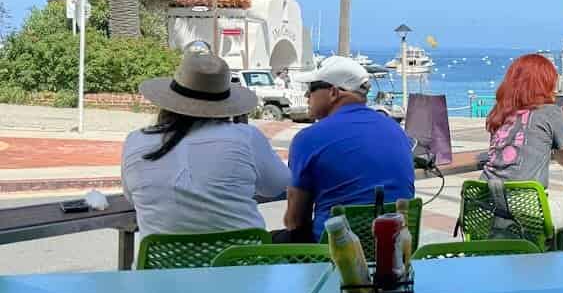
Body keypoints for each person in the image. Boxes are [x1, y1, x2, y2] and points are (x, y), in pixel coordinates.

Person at [122, 54, 290, 238]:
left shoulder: (135, 141)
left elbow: (132, 197)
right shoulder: (245, 138)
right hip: (241, 264)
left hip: (162, 266)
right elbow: (277, 185)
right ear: (227, 105)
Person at [283, 56, 414, 243]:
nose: (306, 96)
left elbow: (295, 220)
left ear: (334, 92)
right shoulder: (395, 130)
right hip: (393, 249)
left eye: (311, 89)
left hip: (333, 253)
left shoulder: (309, 138)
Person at [482, 54, 563, 250]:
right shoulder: (550, 112)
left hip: (486, 208)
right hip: (528, 211)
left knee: (559, 219)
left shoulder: (501, 113)